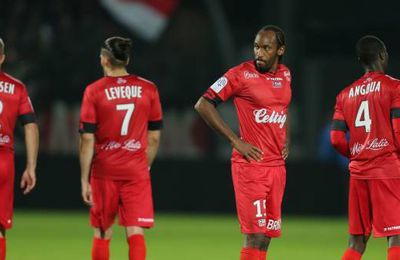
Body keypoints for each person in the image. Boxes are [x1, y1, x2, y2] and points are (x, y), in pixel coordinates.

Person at [195, 25, 291, 260]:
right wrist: (235, 141)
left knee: (266, 237)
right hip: (251, 166)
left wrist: (285, 136)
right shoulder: (240, 74)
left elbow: (281, 109)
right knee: (254, 236)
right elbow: (203, 104)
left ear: (280, 50)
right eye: (257, 46)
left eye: (266, 48)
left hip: (276, 167)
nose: (259, 52)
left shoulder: (286, 74)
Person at [79, 36, 163, 260]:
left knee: (103, 231)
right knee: (135, 230)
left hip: (105, 170)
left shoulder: (94, 91)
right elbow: (154, 137)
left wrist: (83, 178)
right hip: (136, 170)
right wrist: (144, 167)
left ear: (105, 60)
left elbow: (87, 139)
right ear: (127, 59)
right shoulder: (148, 88)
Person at [331, 35, 400, 260]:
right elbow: (398, 131)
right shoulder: (394, 87)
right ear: (382, 55)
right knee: (397, 236)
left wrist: (359, 154)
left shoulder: (344, 95)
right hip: (388, 170)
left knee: (357, 242)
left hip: (358, 173)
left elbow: (336, 139)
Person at [0, 38, 39, 259]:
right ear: (3, 58)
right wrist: (31, 166)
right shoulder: (17, 87)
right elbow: (31, 126)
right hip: (4, 161)